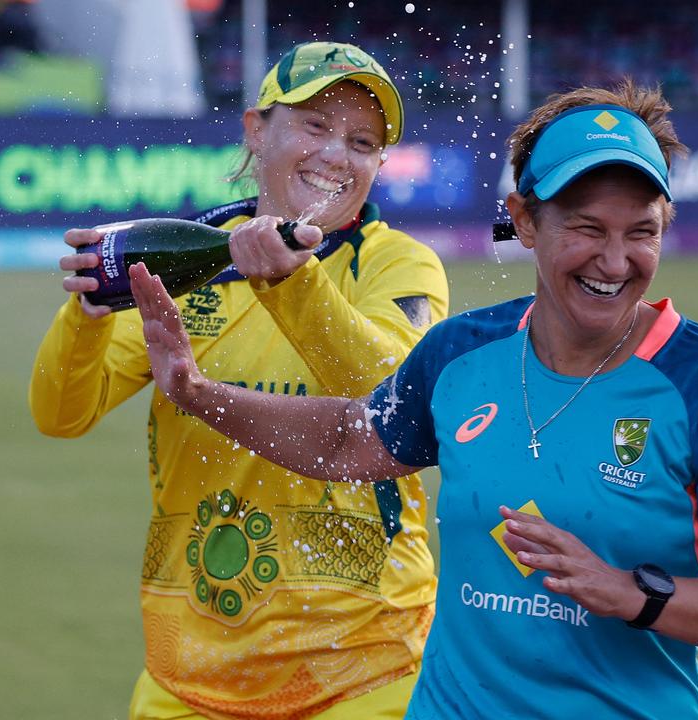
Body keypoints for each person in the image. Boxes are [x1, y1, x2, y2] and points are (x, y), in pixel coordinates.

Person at [127, 79, 698, 719]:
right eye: (585, 228)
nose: (615, 261)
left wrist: (631, 593)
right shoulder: (464, 353)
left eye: (642, 232)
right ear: (523, 219)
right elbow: (347, 440)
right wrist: (196, 393)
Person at [29, 41, 449, 720]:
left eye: (362, 141)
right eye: (314, 126)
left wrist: (289, 280)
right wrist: (85, 316)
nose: (337, 155)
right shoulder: (185, 254)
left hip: (367, 669)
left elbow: (391, 404)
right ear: (256, 130)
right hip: (190, 674)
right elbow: (59, 414)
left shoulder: (400, 266)